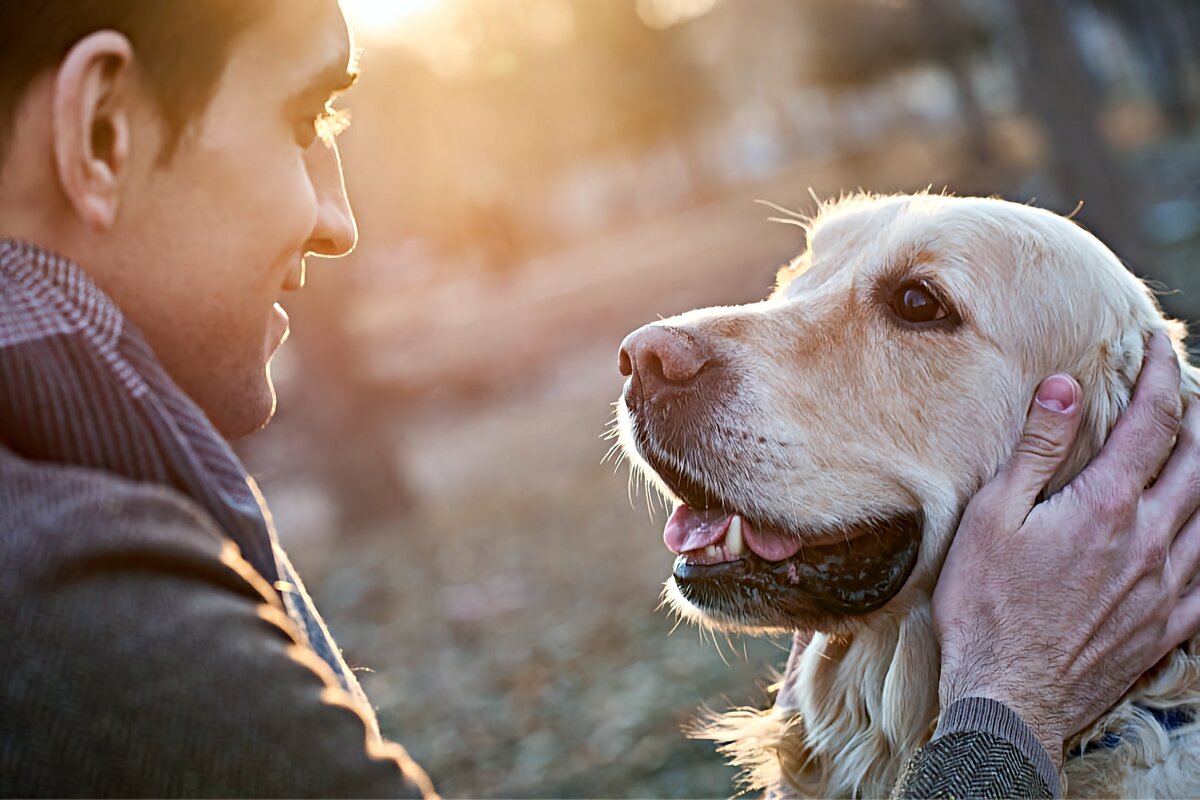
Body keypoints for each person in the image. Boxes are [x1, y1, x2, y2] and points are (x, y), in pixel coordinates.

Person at [0, 2, 1194, 798]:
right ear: (100, 129)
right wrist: (1006, 714)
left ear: (1124, 457)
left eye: (916, 308)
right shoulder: (83, 609)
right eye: (308, 119)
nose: (340, 217)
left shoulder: (88, 506)